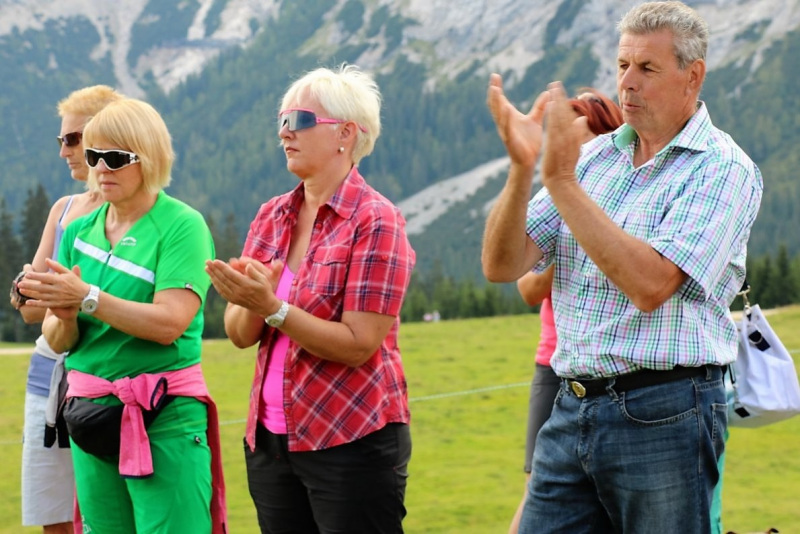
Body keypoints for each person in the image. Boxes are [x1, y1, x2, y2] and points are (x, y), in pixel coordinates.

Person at [482, 2, 763, 533]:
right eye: (621, 66)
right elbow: (502, 265)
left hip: (664, 411)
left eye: (647, 68)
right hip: (572, 405)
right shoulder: (596, 159)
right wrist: (522, 170)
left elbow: (651, 284)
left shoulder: (724, 168)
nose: (626, 83)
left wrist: (561, 182)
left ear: (693, 76)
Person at [205, 64, 415, 534]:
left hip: (350, 437)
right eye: (280, 121)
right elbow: (240, 336)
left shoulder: (377, 221)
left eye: (299, 120)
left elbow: (360, 343)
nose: (284, 134)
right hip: (270, 441)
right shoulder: (272, 215)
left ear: (345, 133)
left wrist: (273, 308)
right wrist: (245, 300)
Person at [19, 97, 226, 533]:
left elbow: (171, 323)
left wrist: (88, 297)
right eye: (94, 156)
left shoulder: (182, 225)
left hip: (163, 416)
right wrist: (67, 313)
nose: (101, 168)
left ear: (148, 158)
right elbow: (58, 338)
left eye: (115, 158)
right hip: (90, 419)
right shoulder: (77, 230)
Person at [507, 90, 623, 534]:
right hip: (554, 363)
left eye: (586, 141)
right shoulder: (553, 198)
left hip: (615, 364)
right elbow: (526, 287)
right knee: (541, 484)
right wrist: (573, 238)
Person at [10, 84, 122, 534]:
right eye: (61, 140)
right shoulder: (64, 209)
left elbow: (38, 296)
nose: (64, 151)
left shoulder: (136, 213)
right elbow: (29, 308)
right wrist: (34, 292)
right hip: (47, 379)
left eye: (73, 139)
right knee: (53, 516)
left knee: (109, 514)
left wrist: (55, 294)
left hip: (103, 381)